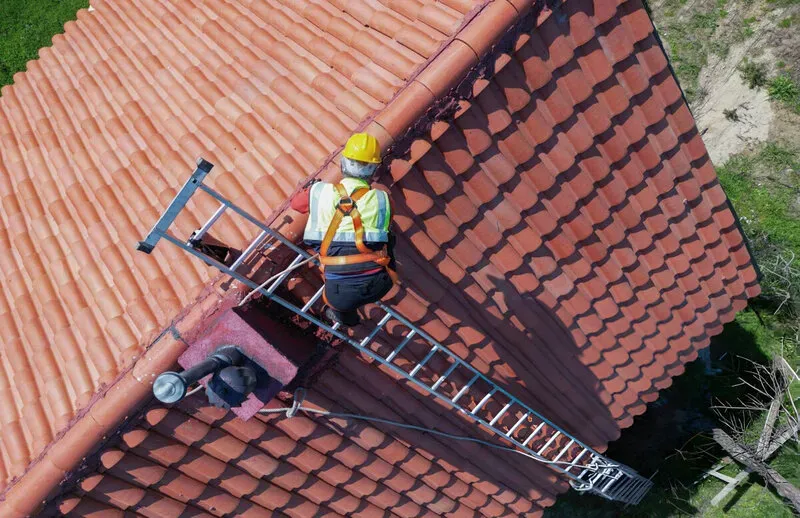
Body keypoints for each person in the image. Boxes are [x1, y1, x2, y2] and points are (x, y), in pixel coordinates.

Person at [290, 133, 397, 326]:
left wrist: (312, 190)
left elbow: (296, 204)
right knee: (389, 239)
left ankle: (346, 317)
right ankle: (346, 311)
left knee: (342, 298)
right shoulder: (384, 199)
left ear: (343, 163)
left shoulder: (320, 192)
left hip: (339, 296)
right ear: (374, 169)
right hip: (382, 283)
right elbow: (386, 226)